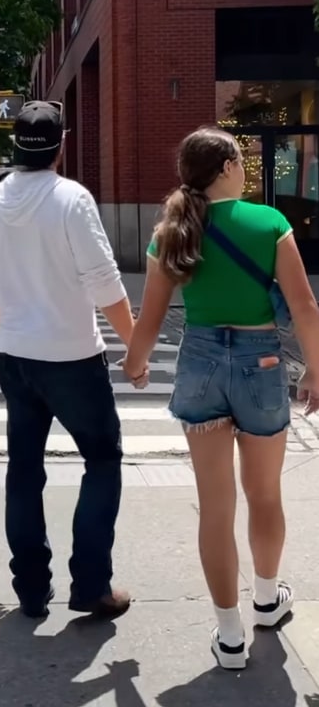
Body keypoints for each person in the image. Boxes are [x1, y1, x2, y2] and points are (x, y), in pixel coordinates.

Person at [124, 126, 319, 670]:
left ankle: (229, 636)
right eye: (241, 157)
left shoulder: (172, 231)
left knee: (216, 504)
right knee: (264, 494)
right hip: (260, 365)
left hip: (201, 363)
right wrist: (317, 374)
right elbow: (304, 308)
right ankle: (265, 599)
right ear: (228, 166)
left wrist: (135, 363)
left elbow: (152, 315)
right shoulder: (269, 223)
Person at [0, 100, 147, 620]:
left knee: (24, 471)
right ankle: (91, 585)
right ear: (62, 143)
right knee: (101, 460)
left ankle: (31, 590)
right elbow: (104, 282)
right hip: (71, 356)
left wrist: (12, 331)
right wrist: (135, 350)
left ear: (15, 145)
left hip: (15, 355)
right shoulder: (71, 199)